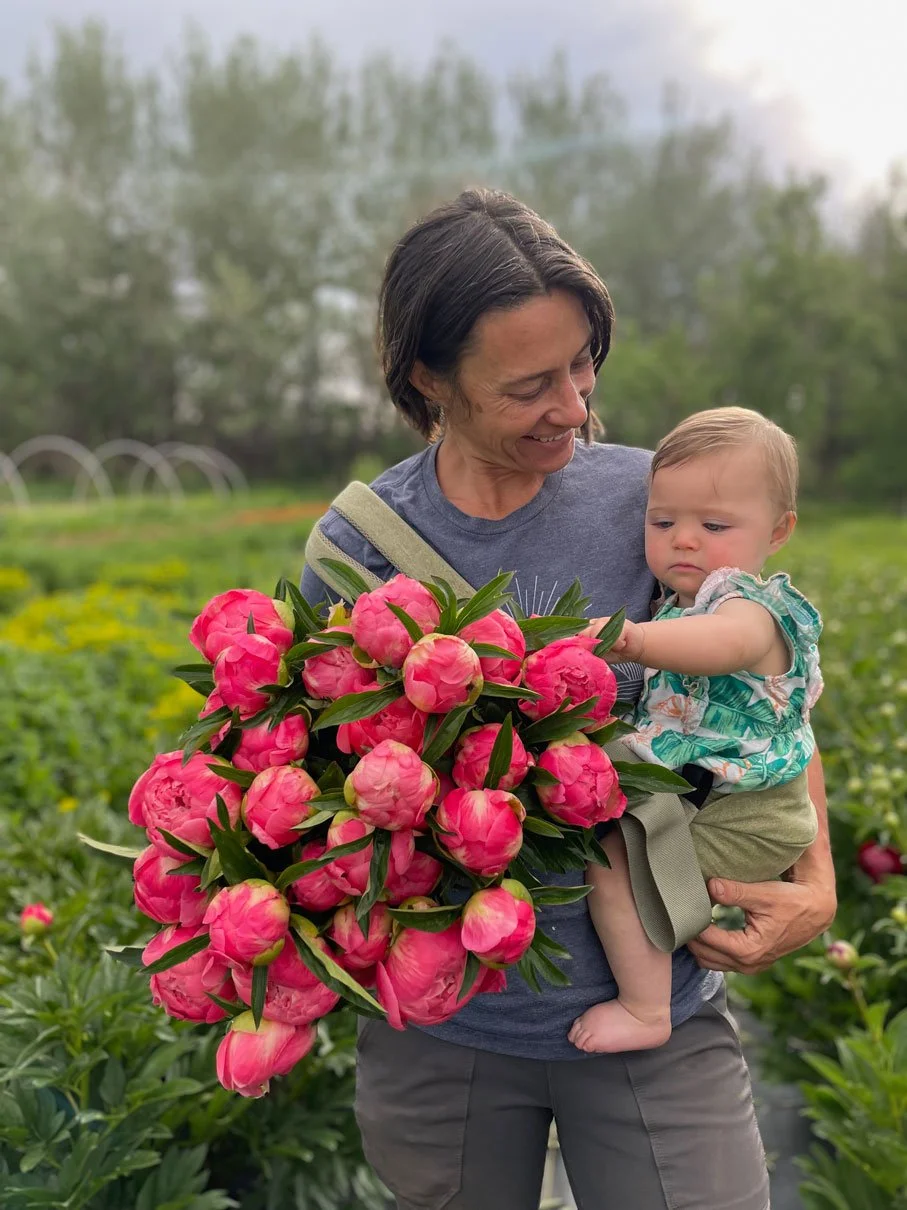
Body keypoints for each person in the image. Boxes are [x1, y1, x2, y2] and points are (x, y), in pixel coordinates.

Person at [301, 189, 836, 1210]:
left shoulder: (654, 502)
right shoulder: (358, 549)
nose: (576, 404)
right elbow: (318, 773)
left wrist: (815, 881)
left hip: (660, 1014)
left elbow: (761, 694)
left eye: (585, 363)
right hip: (447, 1033)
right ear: (428, 378)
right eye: (530, 384)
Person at [568, 407, 822, 1056]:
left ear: (778, 530)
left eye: (712, 525)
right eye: (661, 522)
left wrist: (634, 640)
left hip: (749, 811)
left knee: (615, 863)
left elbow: (724, 644)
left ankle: (645, 1005)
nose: (683, 540)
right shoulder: (682, 600)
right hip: (723, 794)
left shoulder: (750, 607)